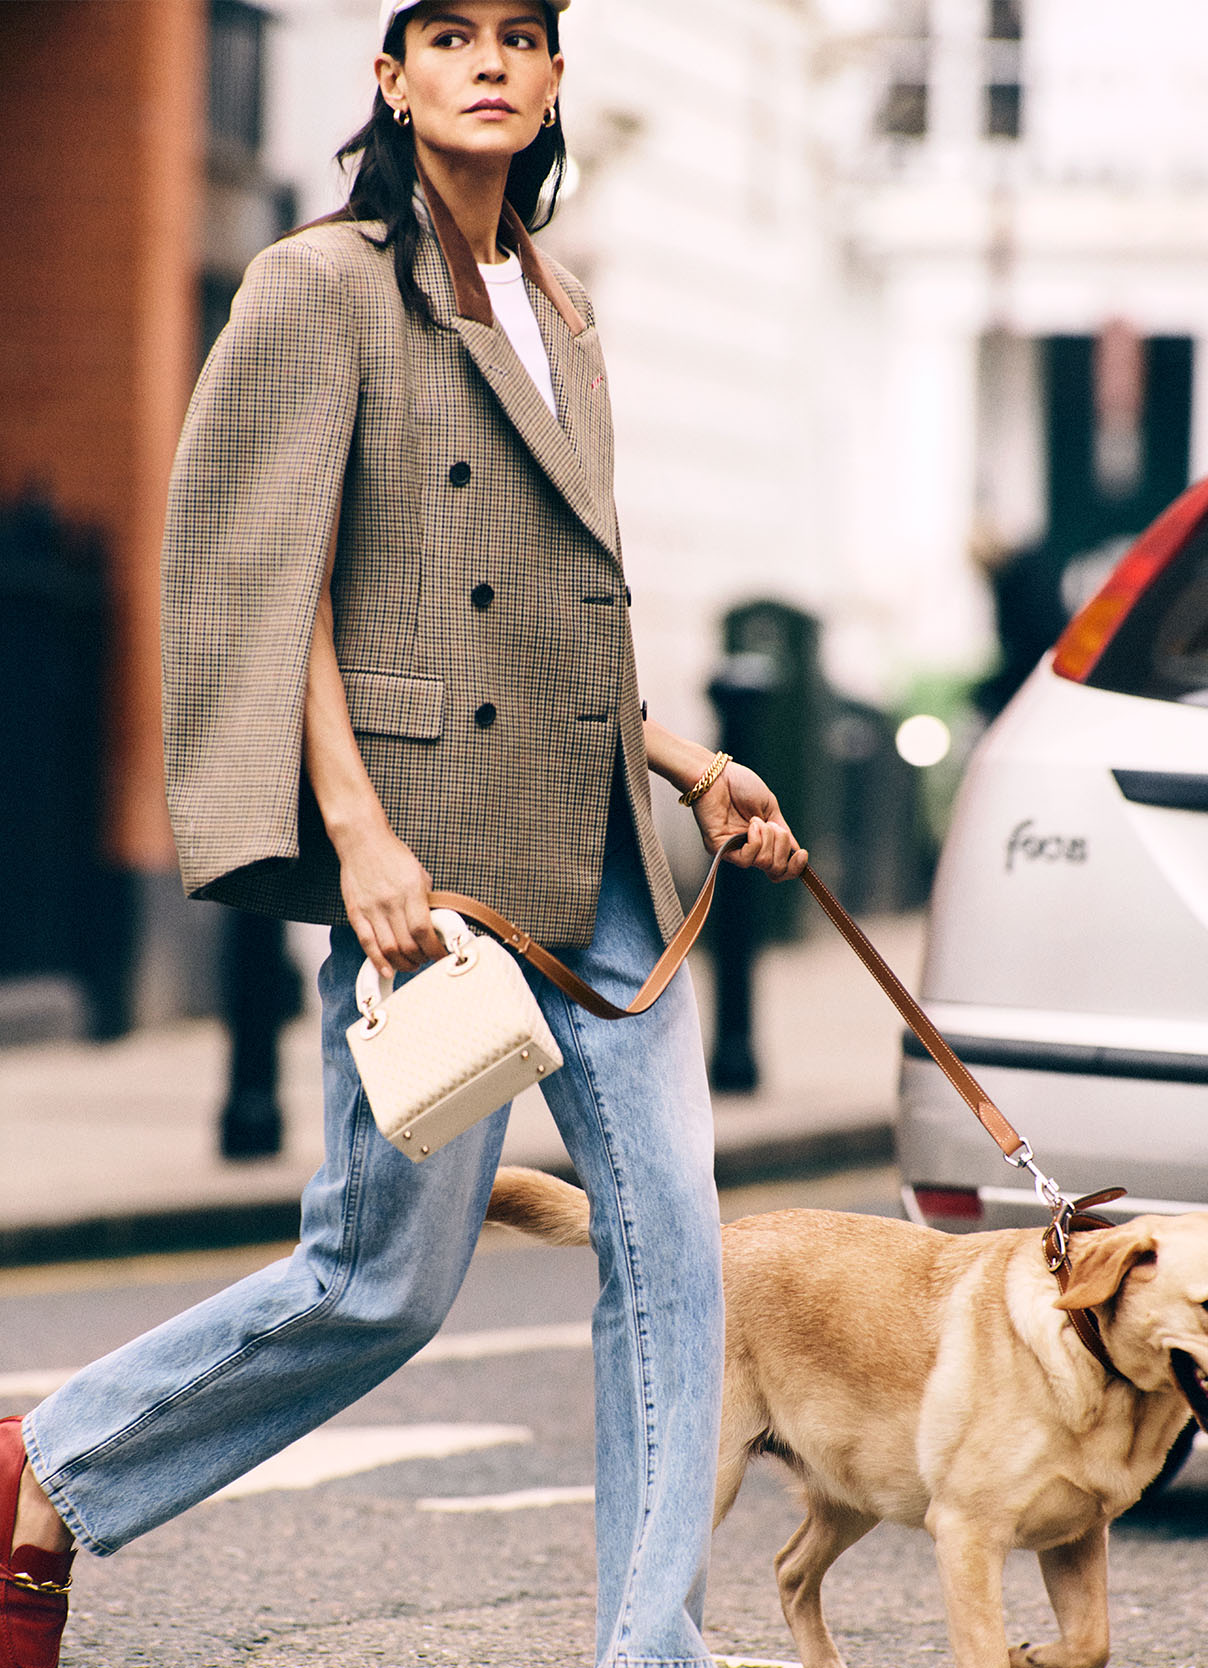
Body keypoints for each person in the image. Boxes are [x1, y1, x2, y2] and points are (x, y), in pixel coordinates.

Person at [0, 4, 808, 1665]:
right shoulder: (320, 283)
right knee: (379, 1285)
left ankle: (649, 1646)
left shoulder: (562, 301)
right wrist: (358, 836)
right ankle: (46, 1460)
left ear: (559, 78)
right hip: (432, 874)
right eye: (450, 37)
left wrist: (682, 759)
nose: (490, 63)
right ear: (394, 78)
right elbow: (260, 573)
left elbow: (561, 614)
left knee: (677, 1272)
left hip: (601, 867)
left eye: (523, 35)